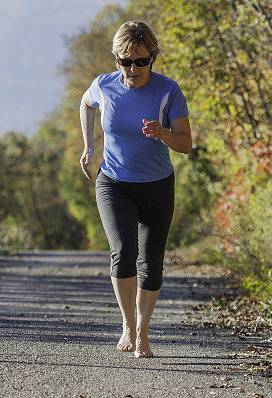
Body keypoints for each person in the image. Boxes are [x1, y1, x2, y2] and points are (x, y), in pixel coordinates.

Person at [79, 20, 191, 358]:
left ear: (153, 58)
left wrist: (163, 133)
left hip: (157, 186)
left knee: (152, 262)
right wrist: (88, 146)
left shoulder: (168, 91)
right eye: (124, 61)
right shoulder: (104, 85)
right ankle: (128, 325)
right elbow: (85, 103)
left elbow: (185, 144)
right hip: (114, 183)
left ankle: (143, 331)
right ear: (116, 59)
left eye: (141, 61)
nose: (132, 68)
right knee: (124, 250)